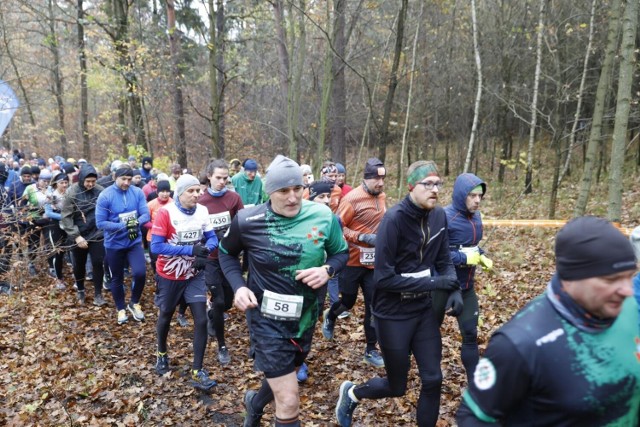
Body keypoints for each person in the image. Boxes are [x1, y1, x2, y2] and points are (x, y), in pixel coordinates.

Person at [457, 216, 640, 426]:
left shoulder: (630, 307)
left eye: (629, 275)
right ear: (572, 278)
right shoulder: (520, 343)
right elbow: (473, 417)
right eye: (611, 280)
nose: (627, 289)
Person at [219, 155, 348, 427]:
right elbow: (225, 254)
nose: (292, 197)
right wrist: (238, 287)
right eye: (283, 191)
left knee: (287, 371)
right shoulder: (247, 220)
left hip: (305, 317)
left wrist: (327, 270)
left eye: (298, 189)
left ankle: (254, 403)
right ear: (270, 192)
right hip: (266, 319)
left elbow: (340, 253)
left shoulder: (323, 216)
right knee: (289, 401)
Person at [335, 160, 462, 427]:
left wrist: (453, 287)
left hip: (423, 311)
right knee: (397, 386)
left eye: (438, 184)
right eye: (428, 184)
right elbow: (383, 279)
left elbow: (443, 260)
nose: (435, 190)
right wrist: (434, 285)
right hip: (392, 315)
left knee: (433, 379)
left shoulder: (439, 216)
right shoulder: (393, 220)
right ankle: (353, 393)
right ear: (411, 187)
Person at [151, 174, 219, 390]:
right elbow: (156, 247)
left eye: (199, 190)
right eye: (191, 191)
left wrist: (204, 252)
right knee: (166, 315)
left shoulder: (202, 211)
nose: (197, 194)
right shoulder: (165, 213)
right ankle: (162, 353)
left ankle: (197, 370)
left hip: (193, 275)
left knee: (201, 320)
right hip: (170, 275)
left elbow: (213, 238)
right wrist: (190, 249)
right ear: (179, 193)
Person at [322, 158, 388, 368]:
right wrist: (362, 237)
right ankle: (331, 316)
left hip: (373, 263)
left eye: (383, 178)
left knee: (373, 305)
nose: (380, 183)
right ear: (366, 178)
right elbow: (337, 228)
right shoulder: (351, 199)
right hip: (352, 260)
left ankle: (371, 349)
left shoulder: (382, 196)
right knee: (348, 301)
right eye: (376, 179)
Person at [439, 173, 493, 382]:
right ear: (461, 195)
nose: (477, 200)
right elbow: (434, 255)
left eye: (480, 196)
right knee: (427, 334)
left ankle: (476, 385)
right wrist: (463, 258)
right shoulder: (444, 216)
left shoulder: (477, 217)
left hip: (467, 287)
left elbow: (472, 246)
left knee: (470, 334)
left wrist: (481, 255)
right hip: (441, 287)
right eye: (472, 196)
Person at [197, 159, 244, 366]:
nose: (222, 182)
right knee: (217, 300)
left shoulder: (234, 198)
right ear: (209, 177)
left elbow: (241, 225)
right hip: (209, 259)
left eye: (226, 178)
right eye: (218, 178)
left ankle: (212, 315)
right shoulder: (200, 201)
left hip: (229, 256)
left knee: (226, 302)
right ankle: (222, 346)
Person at [96, 166, 150, 324]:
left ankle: (134, 303)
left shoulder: (137, 192)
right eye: (123, 179)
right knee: (117, 278)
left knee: (140, 273)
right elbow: (100, 223)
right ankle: (120, 308)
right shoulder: (105, 196)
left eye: (129, 179)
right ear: (115, 177)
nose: (127, 182)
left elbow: (145, 214)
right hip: (114, 243)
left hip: (133, 241)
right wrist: (122, 226)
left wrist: (135, 223)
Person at [60, 164, 108, 307]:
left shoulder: (100, 191)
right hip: (78, 232)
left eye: (93, 181)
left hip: (97, 232)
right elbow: (66, 216)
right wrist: (76, 236)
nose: (90, 184)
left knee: (98, 263)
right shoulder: (72, 192)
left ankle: (98, 294)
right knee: (79, 265)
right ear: (81, 179)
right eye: (88, 181)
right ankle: (80, 289)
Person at [43, 173, 70, 294]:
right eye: (61, 183)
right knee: (58, 251)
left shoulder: (70, 194)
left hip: (69, 225)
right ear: (56, 183)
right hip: (55, 225)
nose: (64, 185)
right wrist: (63, 216)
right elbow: (48, 213)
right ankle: (58, 278)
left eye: (66, 182)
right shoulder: (51, 196)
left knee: (70, 250)